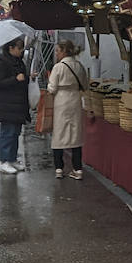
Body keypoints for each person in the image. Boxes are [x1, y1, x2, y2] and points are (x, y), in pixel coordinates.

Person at [47, 39, 90, 179]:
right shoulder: (79, 66)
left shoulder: (58, 67)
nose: (56, 54)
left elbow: (52, 88)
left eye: (58, 51)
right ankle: (78, 169)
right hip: (75, 100)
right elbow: (85, 84)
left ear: (64, 51)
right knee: (75, 134)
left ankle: (59, 168)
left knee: (59, 134)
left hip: (61, 100)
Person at [0, 38, 29, 174]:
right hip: (7, 105)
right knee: (7, 133)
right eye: (19, 48)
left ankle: (12, 159)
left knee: (15, 133)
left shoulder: (19, 61)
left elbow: (22, 78)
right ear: (11, 48)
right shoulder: (2, 61)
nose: (21, 51)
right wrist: (15, 79)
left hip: (18, 104)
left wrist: (28, 77)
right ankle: (4, 160)